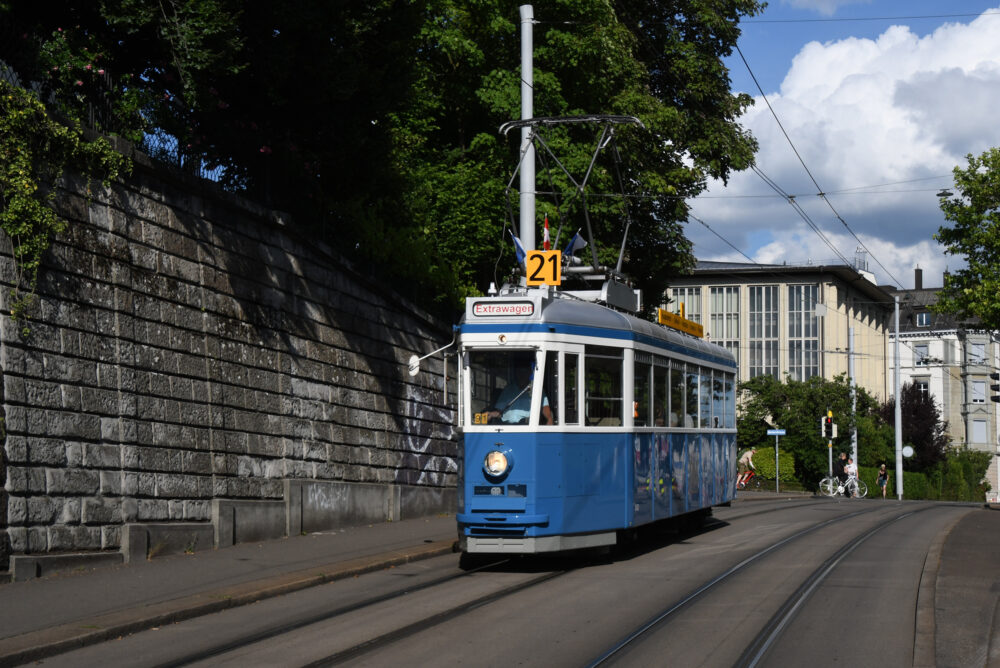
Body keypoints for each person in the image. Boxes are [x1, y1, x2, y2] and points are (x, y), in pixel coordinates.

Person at [487, 363, 552, 425]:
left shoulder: (537, 390)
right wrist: (491, 414)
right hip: (506, 427)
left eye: (524, 372)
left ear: (529, 373)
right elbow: (499, 412)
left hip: (527, 428)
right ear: (516, 374)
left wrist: (549, 419)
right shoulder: (508, 390)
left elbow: (545, 409)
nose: (522, 375)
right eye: (519, 372)